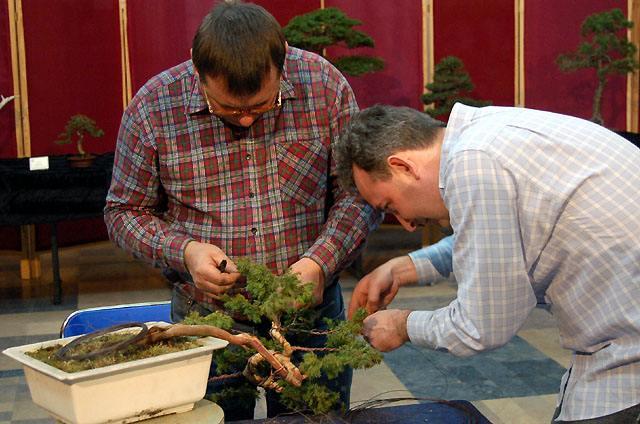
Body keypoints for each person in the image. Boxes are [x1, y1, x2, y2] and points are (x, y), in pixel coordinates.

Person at [104, 1, 379, 420]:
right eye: (229, 109)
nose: (247, 120)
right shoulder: (153, 108)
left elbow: (358, 194)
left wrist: (318, 263)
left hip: (309, 318)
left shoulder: (325, 87)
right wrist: (187, 251)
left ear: (283, 58)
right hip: (207, 322)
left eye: (262, 107)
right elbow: (124, 211)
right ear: (197, 67)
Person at [334, 103, 640, 423]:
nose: (407, 223)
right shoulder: (483, 137)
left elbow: (481, 326)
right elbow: (500, 235)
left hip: (625, 361)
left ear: (404, 167)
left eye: (390, 205)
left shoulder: (473, 164)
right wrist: (404, 267)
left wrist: (402, 325)